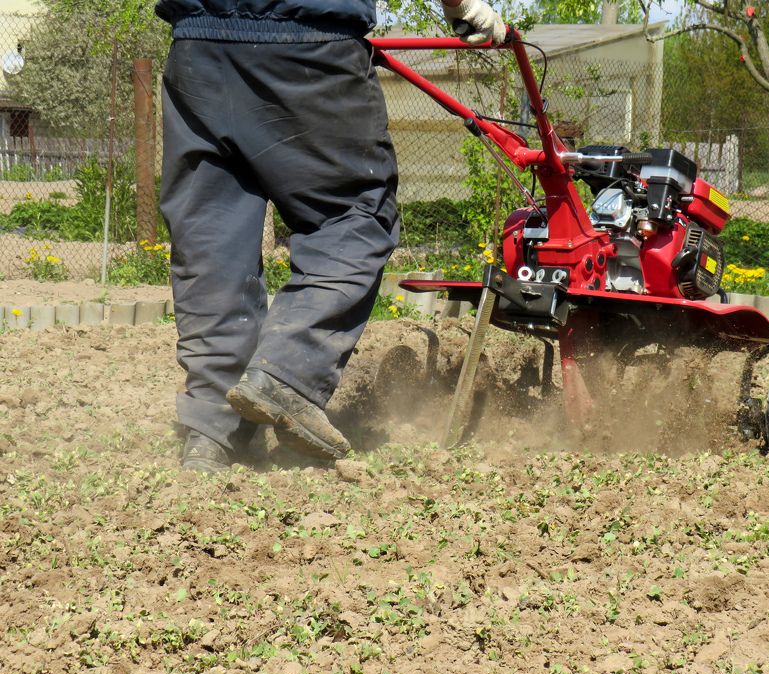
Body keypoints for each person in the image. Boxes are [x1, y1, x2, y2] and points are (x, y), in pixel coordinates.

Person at [154, 0, 506, 472]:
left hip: (196, 48)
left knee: (211, 238)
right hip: (307, 48)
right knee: (354, 216)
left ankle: (213, 431)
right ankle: (286, 373)